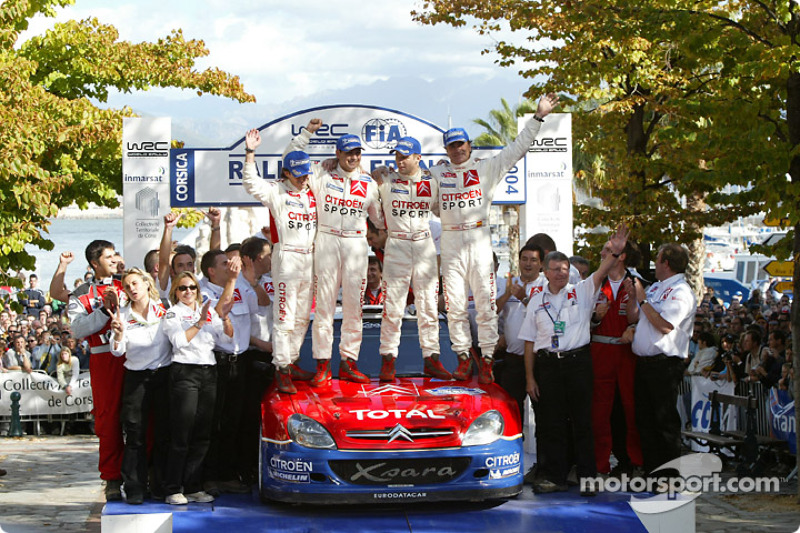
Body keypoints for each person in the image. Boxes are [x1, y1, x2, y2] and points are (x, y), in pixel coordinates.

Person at [430, 92, 560, 385]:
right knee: (454, 304)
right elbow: (417, 191)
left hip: (478, 238)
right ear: (447, 150)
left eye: (461, 144)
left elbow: (517, 149)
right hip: (450, 240)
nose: (457, 150)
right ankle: (464, 357)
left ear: (469, 146)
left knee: (486, 303)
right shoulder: (437, 174)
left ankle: (487, 358)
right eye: (452, 146)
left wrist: (538, 117)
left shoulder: (486, 168)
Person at [519, 224, 629, 494]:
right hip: (547, 365)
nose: (560, 274)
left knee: (583, 421)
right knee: (552, 423)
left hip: (577, 363)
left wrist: (614, 253)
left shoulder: (581, 291)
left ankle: (587, 476)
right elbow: (529, 342)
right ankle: (554, 476)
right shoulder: (536, 300)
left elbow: (602, 270)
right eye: (555, 269)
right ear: (545, 272)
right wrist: (530, 378)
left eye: (565, 269)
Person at [284, 119, 385, 385]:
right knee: (325, 307)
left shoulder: (369, 183)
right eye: (347, 152)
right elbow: (290, 159)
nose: (353, 157)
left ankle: (350, 362)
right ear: (337, 154)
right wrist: (306, 133)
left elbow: (380, 221)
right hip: (326, 239)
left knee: (354, 308)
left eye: (357, 152)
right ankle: (323, 365)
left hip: (355, 244)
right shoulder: (320, 174)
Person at [242, 130, 318, 393]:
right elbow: (251, 183)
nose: (304, 177)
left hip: (310, 257)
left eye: (306, 172)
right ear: (286, 173)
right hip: (286, 256)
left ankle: (292, 360)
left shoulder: (312, 190)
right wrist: (250, 153)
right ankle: (282, 368)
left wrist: (307, 134)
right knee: (284, 316)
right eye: (298, 174)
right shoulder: (275, 191)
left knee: (302, 317)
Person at [371, 136, 449, 381]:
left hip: (424, 240)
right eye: (397, 156)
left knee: (428, 304)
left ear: (418, 157)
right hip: (397, 242)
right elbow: (368, 176)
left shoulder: (431, 180)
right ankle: (387, 358)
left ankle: (432, 358)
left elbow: (441, 209)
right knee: (393, 304)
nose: (400, 161)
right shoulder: (386, 178)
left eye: (405, 156)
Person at [162, 271, 233, 506]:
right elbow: (179, 342)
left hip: (209, 370)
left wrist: (224, 319)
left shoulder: (208, 309)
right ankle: (173, 487)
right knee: (182, 433)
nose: (189, 292)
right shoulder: (173, 313)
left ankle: (193, 486)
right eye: (183, 288)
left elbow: (226, 340)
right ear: (175, 291)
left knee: (203, 433)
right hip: (185, 372)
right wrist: (200, 322)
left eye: (192, 287)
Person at [626, 243, 697, 475]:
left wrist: (644, 300)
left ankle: (668, 475)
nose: (654, 264)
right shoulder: (656, 287)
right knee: (644, 421)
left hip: (664, 364)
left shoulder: (681, 291)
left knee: (664, 421)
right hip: (644, 363)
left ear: (666, 263)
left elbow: (665, 326)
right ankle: (651, 471)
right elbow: (634, 316)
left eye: (657, 259)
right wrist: (632, 297)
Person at [68, 239, 125, 500]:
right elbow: (77, 329)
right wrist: (104, 309)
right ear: (94, 262)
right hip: (104, 360)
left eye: (115, 255)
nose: (114, 260)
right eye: (108, 257)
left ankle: (145, 471)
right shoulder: (82, 293)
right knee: (108, 418)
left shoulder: (130, 282)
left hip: (137, 357)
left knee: (144, 415)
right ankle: (112, 477)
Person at [109, 268, 171, 505]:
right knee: (135, 434)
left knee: (164, 432)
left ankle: (162, 485)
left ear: (146, 284)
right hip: (136, 378)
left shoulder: (164, 309)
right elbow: (118, 351)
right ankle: (134, 487)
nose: (132, 289)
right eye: (127, 286)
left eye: (135, 283)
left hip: (163, 374)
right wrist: (117, 335)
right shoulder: (122, 315)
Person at [589, 240, 643, 477]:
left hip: (626, 354)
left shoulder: (638, 282)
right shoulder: (593, 283)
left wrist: (633, 326)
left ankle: (635, 462)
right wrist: (594, 318)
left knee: (631, 409)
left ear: (621, 256)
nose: (601, 252)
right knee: (599, 413)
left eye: (607, 250)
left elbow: (642, 317)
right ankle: (600, 465)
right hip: (599, 352)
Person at [495, 244, 544, 417]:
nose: (528, 264)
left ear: (541, 264)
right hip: (513, 360)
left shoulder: (546, 285)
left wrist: (524, 298)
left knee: (544, 415)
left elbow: (545, 317)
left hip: (540, 361)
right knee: (511, 414)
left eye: (533, 260)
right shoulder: (509, 284)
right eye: (524, 259)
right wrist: (508, 294)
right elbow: (493, 311)